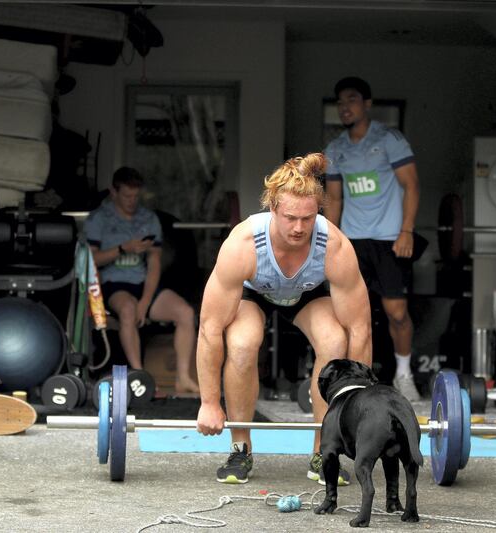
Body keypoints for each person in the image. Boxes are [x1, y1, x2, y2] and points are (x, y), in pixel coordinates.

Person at [195, 153, 372, 485]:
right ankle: (240, 449)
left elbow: (359, 329)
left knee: (335, 341)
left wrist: (356, 405)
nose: (299, 227)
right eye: (290, 217)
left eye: (308, 218)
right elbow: (210, 328)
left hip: (306, 292)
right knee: (243, 344)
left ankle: (325, 453)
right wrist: (208, 402)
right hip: (255, 292)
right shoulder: (243, 245)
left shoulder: (333, 245)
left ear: (318, 210)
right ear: (272, 208)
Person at [323, 76, 422, 402]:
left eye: (351, 100)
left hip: (389, 240)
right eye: (339, 102)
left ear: (366, 104)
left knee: (396, 312)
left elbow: (412, 185)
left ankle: (404, 374)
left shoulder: (389, 139)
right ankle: (352, 379)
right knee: (350, 315)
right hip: (353, 242)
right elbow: (334, 200)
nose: (344, 107)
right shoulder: (336, 148)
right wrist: (330, 242)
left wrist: (406, 230)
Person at [85, 166, 200, 394]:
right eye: (127, 195)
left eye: (136, 196)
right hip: (112, 285)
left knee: (185, 313)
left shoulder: (148, 219)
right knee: (128, 310)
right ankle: (142, 379)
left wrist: (146, 302)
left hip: (143, 284)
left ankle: (183, 378)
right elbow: (91, 259)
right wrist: (123, 248)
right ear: (114, 192)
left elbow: (155, 262)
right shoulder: (99, 218)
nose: (131, 201)